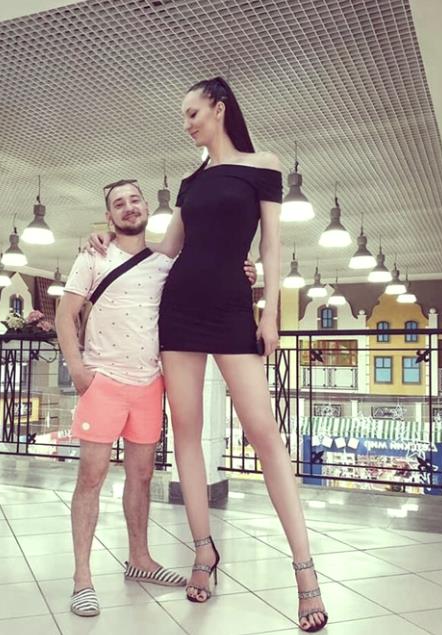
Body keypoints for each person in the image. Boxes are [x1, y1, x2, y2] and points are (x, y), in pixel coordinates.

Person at [91, 77, 328, 632]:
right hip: (179, 311)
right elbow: (167, 249)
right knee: (187, 434)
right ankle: (203, 551)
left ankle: (305, 570)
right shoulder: (192, 182)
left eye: (193, 113)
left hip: (230, 309)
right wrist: (106, 241)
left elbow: (271, 245)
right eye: (184, 116)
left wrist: (269, 312)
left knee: (265, 434)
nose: (187, 124)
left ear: (219, 109)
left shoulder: (263, 166)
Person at [56, 178, 257, 618]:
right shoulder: (93, 255)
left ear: (147, 208)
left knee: (143, 475)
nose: (128, 207)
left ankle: (140, 559)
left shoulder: (166, 263)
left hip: (149, 383)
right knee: (91, 477)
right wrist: (78, 370)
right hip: (103, 380)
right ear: (109, 217)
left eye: (135, 200)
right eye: (119, 204)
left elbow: (207, 278)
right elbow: (64, 314)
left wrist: (245, 272)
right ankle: (82, 578)